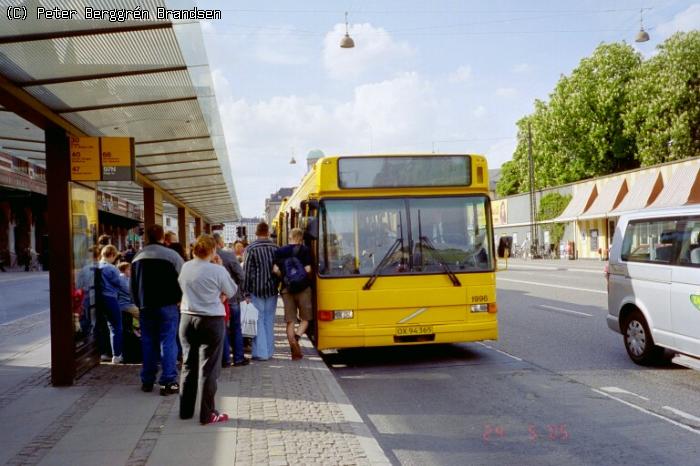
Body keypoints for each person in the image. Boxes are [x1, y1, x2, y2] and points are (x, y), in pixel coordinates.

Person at [178, 234, 236, 425]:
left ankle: (185, 411)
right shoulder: (216, 270)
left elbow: (182, 287)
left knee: (188, 365)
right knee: (209, 369)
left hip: (187, 318)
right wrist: (219, 267)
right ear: (212, 251)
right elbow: (231, 290)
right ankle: (207, 413)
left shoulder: (186, 267)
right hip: (211, 319)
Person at [131, 224, 184, 395]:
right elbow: (184, 279)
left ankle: (147, 380)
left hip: (146, 306)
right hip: (168, 305)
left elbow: (131, 285)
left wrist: (137, 303)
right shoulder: (172, 255)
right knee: (168, 342)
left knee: (148, 342)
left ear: (147, 237)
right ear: (163, 237)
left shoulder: (138, 256)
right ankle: (168, 381)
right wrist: (180, 298)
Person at [273, 227, 313, 360]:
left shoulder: (280, 251)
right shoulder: (304, 250)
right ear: (301, 239)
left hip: (287, 290)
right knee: (305, 319)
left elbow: (275, 270)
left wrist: (285, 275)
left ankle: (293, 346)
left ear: (289, 236)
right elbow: (307, 269)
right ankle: (296, 339)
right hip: (303, 289)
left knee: (290, 321)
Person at [242, 222, 279, 361]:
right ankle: (269, 351)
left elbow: (246, 272)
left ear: (256, 233)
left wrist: (246, 292)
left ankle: (262, 353)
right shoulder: (275, 248)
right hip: (272, 289)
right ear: (268, 232)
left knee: (259, 320)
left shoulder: (251, 248)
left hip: (256, 290)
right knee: (269, 320)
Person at [213, 233, 248, 367]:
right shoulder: (228, 255)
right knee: (236, 328)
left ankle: (225, 359)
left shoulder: (208, 259)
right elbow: (241, 275)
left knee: (223, 330)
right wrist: (236, 288)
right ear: (219, 242)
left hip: (217, 301)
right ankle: (238, 358)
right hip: (232, 298)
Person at [97, 245, 124, 364]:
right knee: (116, 326)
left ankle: (103, 352)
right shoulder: (111, 268)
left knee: (101, 327)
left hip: (98, 299)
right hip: (110, 298)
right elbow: (121, 284)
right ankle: (117, 355)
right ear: (112, 255)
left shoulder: (96, 266)